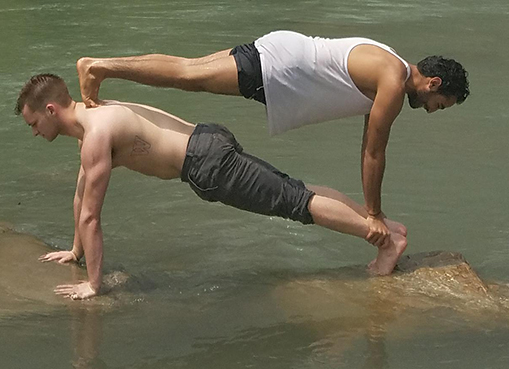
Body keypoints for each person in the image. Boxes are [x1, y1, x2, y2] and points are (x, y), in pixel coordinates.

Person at [15, 73, 410, 300]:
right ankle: (383, 226)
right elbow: (81, 192)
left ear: (51, 110)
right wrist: (74, 250)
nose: (34, 133)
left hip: (207, 163)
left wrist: (94, 284)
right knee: (294, 190)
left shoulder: (96, 135)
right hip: (207, 142)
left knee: (295, 201)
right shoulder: (93, 117)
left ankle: (383, 240)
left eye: (34, 124)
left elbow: (92, 215)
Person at [76, 31, 468, 249]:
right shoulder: (394, 84)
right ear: (433, 83)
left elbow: (368, 142)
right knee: (187, 75)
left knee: (188, 70)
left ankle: (103, 71)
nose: (434, 110)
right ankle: (100, 67)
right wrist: (374, 215)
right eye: (441, 103)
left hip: (280, 52)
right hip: (280, 69)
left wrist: (373, 210)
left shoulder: (390, 60)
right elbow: (373, 151)